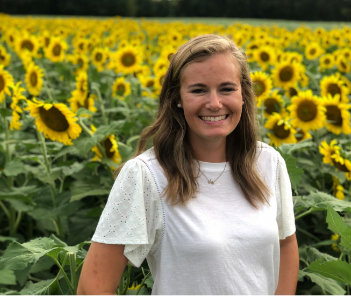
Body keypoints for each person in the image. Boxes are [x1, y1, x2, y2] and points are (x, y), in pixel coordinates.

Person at [77, 34, 299, 295]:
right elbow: (92, 287)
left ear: (244, 95)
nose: (214, 104)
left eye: (227, 89)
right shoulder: (147, 175)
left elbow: (285, 244)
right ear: (177, 98)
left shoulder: (268, 162)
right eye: (198, 90)